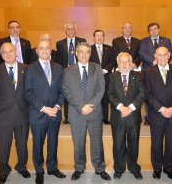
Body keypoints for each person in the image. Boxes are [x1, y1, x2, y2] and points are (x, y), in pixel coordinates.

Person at [62, 42, 111, 181]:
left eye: (86, 52)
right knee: (78, 143)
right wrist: (81, 106)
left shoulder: (97, 68)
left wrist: (90, 105)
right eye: (81, 51)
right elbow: (67, 91)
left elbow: (101, 88)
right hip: (76, 113)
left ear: (90, 54)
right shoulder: (68, 70)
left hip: (94, 112)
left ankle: (100, 168)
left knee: (97, 142)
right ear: (76, 54)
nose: (84, 54)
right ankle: (79, 168)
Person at [0, 43, 30, 184]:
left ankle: (21, 167)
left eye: (10, 51)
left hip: (22, 114)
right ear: (1, 55)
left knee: (22, 144)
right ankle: (4, 171)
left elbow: (30, 91)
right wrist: (4, 106)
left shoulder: (26, 69)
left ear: (16, 52)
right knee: (3, 145)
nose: (8, 54)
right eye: (4, 52)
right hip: (3, 115)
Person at [24, 41, 66, 184]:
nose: (44, 50)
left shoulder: (59, 68)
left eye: (47, 48)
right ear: (37, 50)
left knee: (53, 142)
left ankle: (52, 168)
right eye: (41, 48)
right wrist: (43, 108)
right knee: (38, 144)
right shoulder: (29, 69)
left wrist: (57, 106)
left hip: (55, 113)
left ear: (51, 51)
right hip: (38, 113)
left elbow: (63, 90)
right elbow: (28, 93)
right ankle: (39, 171)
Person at [143, 47, 172, 180]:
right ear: (155, 56)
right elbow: (147, 95)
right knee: (156, 144)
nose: (162, 57)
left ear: (169, 56)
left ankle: (168, 168)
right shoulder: (148, 72)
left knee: (171, 143)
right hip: (157, 114)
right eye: (159, 55)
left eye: (164, 55)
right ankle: (157, 169)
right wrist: (161, 109)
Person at [108, 52, 145, 180]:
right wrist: (120, 107)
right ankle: (119, 169)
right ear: (118, 64)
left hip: (133, 116)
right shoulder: (113, 76)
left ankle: (134, 168)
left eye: (127, 62)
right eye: (121, 62)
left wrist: (130, 108)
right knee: (118, 145)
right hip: (118, 117)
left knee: (134, 144)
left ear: (131, 63)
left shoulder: (138, 76)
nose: (124, 64)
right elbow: (110, 94)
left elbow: (141, 94)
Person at [139, 22, 172, 126]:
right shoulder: (143, 41)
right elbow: (141, 53)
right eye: (151, 29)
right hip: (148, 70)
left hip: (164, 70)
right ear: (148, 31)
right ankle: (148, 117)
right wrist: (154, 60)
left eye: (155, 29)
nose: (153, 31)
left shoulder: (166, 40)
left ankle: (164, 112)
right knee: (148, 93)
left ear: (159, 29)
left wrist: (160, 60)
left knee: (163, 91)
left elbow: (170, 52)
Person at [56, 21, 86, 124]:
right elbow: (60, 60)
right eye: (68, 29)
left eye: (72, 29)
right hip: (66, 72)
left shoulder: (82, 41)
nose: (70, 31)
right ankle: (67, 117)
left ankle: (81, 112)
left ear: (75, 30)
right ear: (65, 30)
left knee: (80, 92)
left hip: (79, 71)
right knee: (67, 93)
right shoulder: (60, 43)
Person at [89, 29, 115, 125]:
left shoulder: (110, 48)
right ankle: (95, 117)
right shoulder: (89, 49)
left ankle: (105, 118)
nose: (99, 37)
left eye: (101, 36)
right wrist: (97, 72)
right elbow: (87, 62)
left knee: (105, 97)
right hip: (93, 77)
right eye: (97, 35)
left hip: (106, 76)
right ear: (93, 38)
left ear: (104, 38)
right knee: (94, 97)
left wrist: (104, 70)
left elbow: (112, 61)